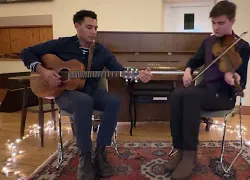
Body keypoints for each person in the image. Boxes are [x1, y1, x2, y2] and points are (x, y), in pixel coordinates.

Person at [19, 10, 152, 179]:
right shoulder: (62, 44)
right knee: (83, 101)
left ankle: (100, 151)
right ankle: (85, 156)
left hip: (91, 92)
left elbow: (119, 70)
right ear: (77, 26)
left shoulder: (101, 51)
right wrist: (44, 72)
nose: (94, 32)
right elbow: (26, 52)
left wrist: (137, 75)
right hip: (65, 94)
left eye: (96, 28)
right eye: (89, 27)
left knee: (114, 101)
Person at [165, 1, 250, 180]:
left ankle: (190, 156)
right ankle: (179, 150)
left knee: (189, 96)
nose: (216, 27)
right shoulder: (208, 41)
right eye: (214, 23)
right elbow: (193, 61)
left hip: (223, 95)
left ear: (232, 21)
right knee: (176, 95)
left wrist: (234, 79)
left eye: (221, 23)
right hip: (204, 91)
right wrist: (188, 71)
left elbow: (241, 82)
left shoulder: (242, 46)